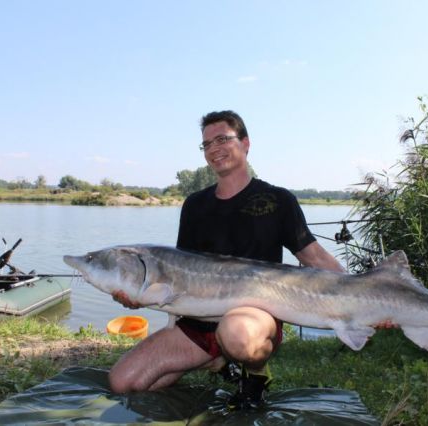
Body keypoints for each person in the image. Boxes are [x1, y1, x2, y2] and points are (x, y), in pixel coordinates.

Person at [109, 110, 346, 408]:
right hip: (198, 324)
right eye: (206, 144)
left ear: (246, 143)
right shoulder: (194, 205)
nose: (214, 149)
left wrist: (362, 289)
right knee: (122, 382)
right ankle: (216, 361)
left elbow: (314, 256)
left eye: (222, 139)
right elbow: (178, 271)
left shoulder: (278, 200)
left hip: (252, 320)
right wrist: (138, 295)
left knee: (236, 334)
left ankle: (255, 374)